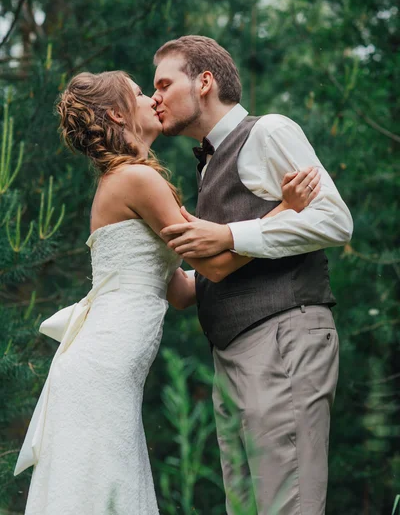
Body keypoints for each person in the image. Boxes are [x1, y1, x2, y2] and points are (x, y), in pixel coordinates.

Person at [14, 70, 318, 515]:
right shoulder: (137, 178)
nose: (151, 99)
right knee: (102, 485)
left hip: (106, 364)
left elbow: (179, 290)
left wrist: (260, 264)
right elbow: (213, 262)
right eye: (140, 93)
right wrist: (284, 212)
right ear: (118, 113)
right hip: (103, 364)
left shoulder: (127, 179)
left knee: (107, 483)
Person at [153, 35, 353, 515]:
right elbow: (212, 271)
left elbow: (334, 220)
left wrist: (230, 237)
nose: (154, 97)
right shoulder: (207, 164)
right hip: (233, 354)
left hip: (283, 335)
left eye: (163, 83)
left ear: (204, 82)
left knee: (290, 505)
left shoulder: (269, 131)